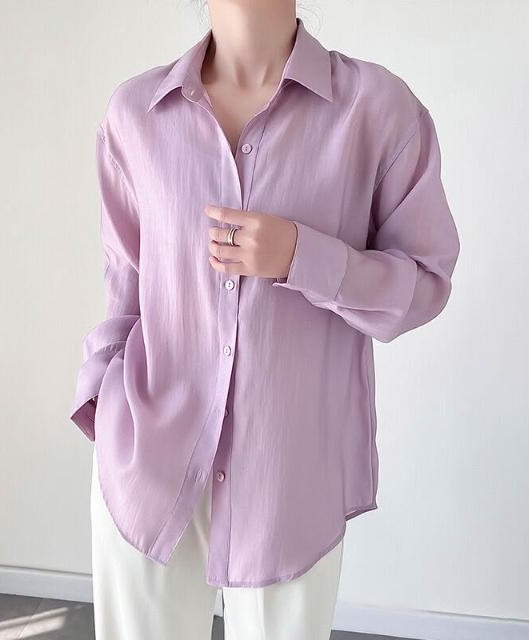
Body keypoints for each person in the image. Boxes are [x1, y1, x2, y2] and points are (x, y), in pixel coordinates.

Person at [69, 1, 461, 638]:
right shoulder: (135, 114)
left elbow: (425, 282)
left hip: (290, 474)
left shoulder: (376, 110)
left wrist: (303, 256)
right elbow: (125, 286)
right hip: (147, 453)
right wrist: (101, 400)